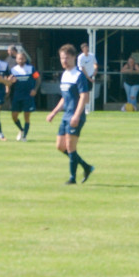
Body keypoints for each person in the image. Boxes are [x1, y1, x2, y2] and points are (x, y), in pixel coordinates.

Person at [46, 44, 94, 185]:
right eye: (62, 58)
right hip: (66, 115)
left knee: (71, 146)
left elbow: (84, 97)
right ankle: (86, 166)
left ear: (74, 57)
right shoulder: (65, 74)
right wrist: (54, 112)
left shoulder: (79, 75)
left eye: (67, 58)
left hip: (75, 116)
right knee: (60, 146)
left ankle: (72, 178)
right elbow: (64, 98)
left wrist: (77, 115)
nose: (64, 61)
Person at [10, 52, 41, 142]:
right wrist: (10, 82)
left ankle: (24, 136)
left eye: (22, 58)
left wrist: (35, 89)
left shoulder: (31, 69)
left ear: (25, 59)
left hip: (28, 96)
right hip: (17, 96)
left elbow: (38, 79)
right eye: (19, 59)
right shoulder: (13, 70)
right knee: (14, 116)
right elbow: (10, 82)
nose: (21, 60)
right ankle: (21, 129)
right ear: (16, 59)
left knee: (26, 117)